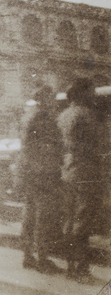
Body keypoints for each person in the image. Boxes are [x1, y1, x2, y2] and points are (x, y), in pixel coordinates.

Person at [57, 78, 110, 281]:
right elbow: (102, 144)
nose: (94, 95)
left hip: (68, 171)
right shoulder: (87, 115)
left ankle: (71, 266)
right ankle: (80, 268)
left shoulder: (64, 115)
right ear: (83, 93)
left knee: (70, 219)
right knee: (83, 222)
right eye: (91, 91)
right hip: (86, 172)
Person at [18, 86, 64, 274]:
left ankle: (28, 257)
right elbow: (53, 146)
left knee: (29, 215)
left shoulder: (28, 115)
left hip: (28, 171)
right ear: (44, 98)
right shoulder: (44, 118)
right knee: (43, 217)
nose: (53, 100)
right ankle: (43, 260)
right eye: (51, 97)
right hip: (42, 172)